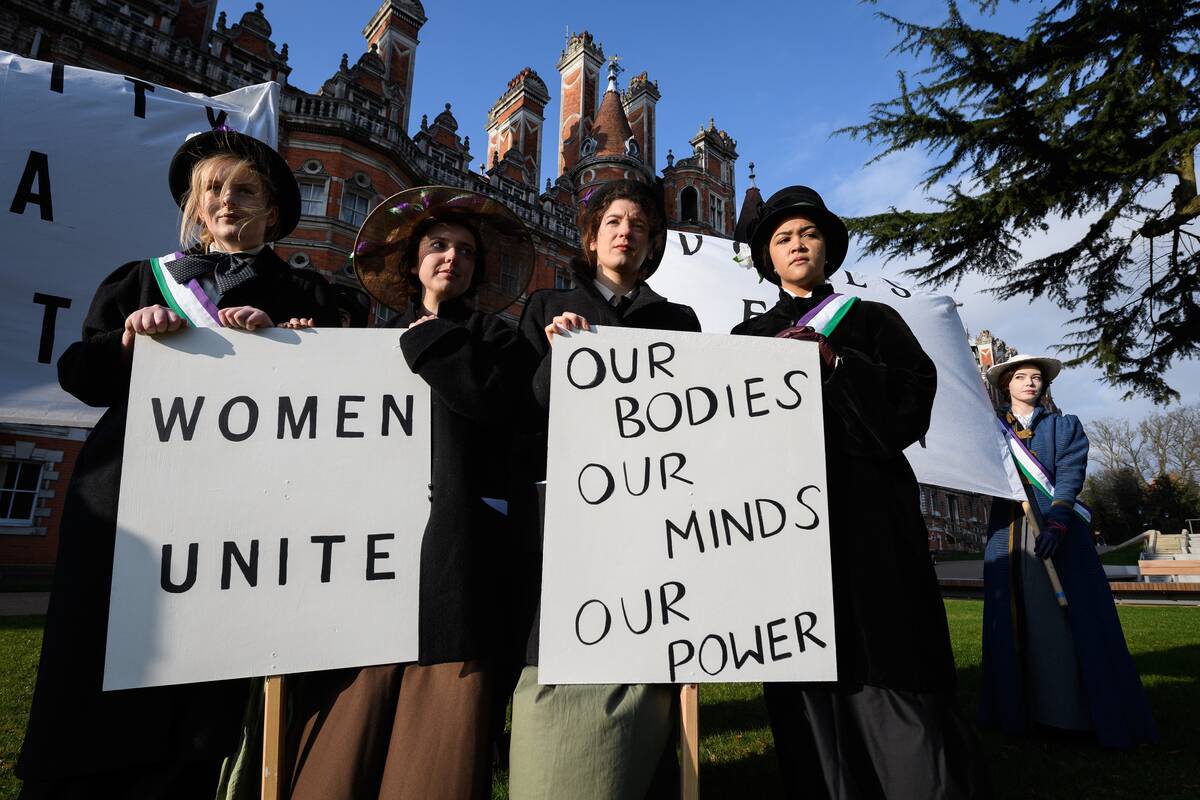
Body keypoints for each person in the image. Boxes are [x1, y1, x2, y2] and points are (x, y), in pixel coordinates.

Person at [17, 129, 339, 799]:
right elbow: (79, 373)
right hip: (126, 502)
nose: (228, 199)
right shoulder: (140, 278)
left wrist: (297, 347)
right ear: (194, 206)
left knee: (199, 694)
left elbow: (336, 409)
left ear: (274, 212)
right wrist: (128, 341)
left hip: (236, 517)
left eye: (245, 189)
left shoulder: (307, 295)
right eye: (214, 188)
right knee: (97, 670)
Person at [731, 185, 987, 799]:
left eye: (808, 235)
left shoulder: (872, 321)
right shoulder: (745, 337)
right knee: (800, 663)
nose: (797, 245)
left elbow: (911, 406)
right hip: (783, 525)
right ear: (768, 256)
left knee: (889, 655)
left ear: (828, 248)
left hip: (870, 514)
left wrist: (838, 364)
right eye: (783, 237)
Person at [284, 187, 534, 800]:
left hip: (457, 554)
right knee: (345, 731)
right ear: (413, 261)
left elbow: (493, 404)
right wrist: (294, 359)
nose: (452, 258)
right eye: (438, 246)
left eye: (467, 252)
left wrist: (429, 341)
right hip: (363, 560)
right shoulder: (365, 342)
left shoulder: (498, 341)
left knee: (436, 747)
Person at [507, 179, 700, 800]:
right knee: (567, 632)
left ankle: (650, 766)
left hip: (654, 504)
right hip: (572, 508)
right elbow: (525, 412)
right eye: (613, 222)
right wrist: (554, 356)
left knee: (650, 629)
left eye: (639, 226)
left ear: (651, 245)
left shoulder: (678, 321)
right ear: (591, 239)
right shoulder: (546, 308)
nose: (625, 232)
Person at [981, 354, 1157, 749]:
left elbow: (1072, 473)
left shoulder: (1065, 425)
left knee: (1073, 620)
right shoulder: (989, 430)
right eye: (1021, 377)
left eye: (1036, 377)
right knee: (1014, 617)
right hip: (1008, 531)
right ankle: (1019, 711)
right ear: (1006, 385)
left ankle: (1074, 712)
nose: (1030, 383)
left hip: (1059, 530)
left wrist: (1059, 518)